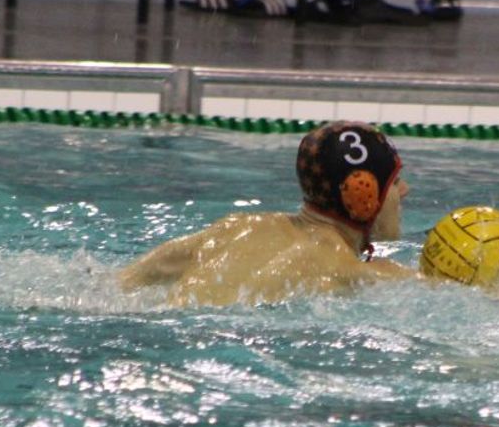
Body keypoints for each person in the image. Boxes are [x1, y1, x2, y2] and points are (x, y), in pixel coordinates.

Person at [120, 121, 415, 306]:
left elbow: (121, 284)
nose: (405, 190)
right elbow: (439, 291)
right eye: (394, 182)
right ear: (362, 194)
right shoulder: (350, 269)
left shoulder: (235, 228)